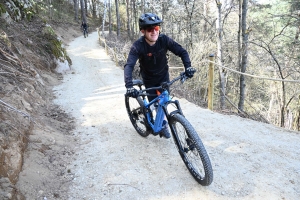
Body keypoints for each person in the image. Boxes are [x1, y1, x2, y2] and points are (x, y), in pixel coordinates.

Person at [124, 13, 196, 138]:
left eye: (156, 28)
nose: (154, 32)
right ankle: (153, 121)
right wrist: (129, 86)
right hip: (149, 79)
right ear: (143, 31)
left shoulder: (164, 40)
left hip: (163, 76)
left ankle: (162, 123)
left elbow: (182, 52)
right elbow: (129, 65)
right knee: (154, 104)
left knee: (164, 101)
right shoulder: (138, 46)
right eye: (150, 29)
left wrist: (188, 67)